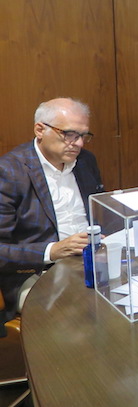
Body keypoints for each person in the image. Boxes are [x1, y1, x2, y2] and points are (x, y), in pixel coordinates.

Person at [0, 98, 104, 316]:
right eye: (69, 134)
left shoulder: (86, 161)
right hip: (36, 273)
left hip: (90, 262)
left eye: (83, 135)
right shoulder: (9, 172)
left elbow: (100, 212)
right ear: (40, 129)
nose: (78, 143)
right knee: (80, 313)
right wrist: (52, 251)